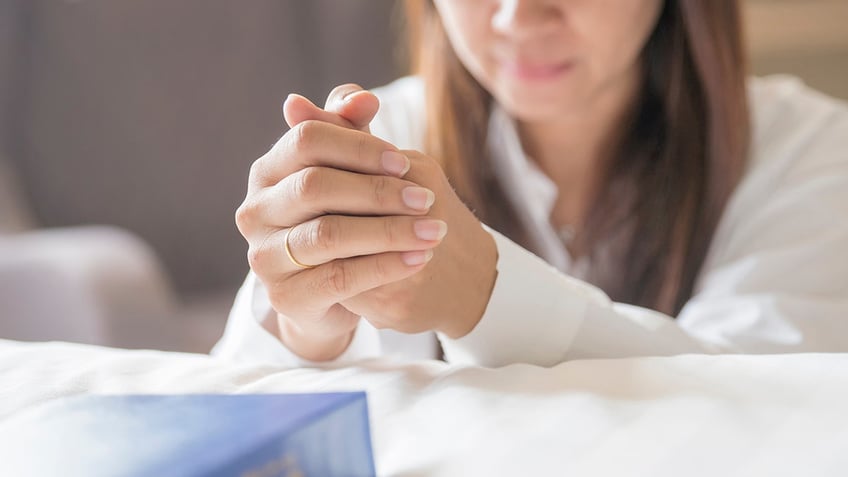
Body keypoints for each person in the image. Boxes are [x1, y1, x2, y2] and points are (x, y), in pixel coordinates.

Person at [213, 0, 848, 367]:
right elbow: (228, 413)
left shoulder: (809, 151)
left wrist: (484, 295)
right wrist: (311, 330)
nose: (518, 16)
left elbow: (761, 408)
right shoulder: (381, 137)